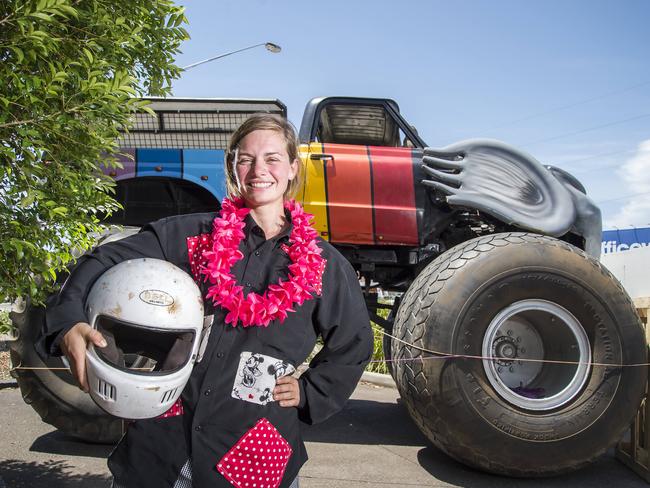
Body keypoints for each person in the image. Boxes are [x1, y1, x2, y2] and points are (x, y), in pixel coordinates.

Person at [39, 114, 374, 488]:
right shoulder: (192, 235)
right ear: (233, 166)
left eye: (272, 158)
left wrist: (311, 392)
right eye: (245, 159)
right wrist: (68, 321)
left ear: (293, 167)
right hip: (163, 447)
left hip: (254, 452)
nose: (258, 170)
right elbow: (102, 259)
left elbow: (354, 343)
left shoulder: (324, 265)